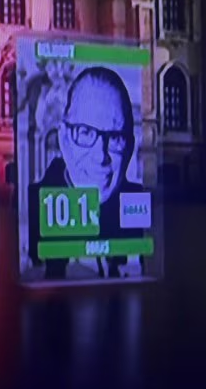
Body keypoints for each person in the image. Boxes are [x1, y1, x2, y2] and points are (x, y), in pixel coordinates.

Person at [28, 66, 144, 280]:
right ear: (64, 139)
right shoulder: (36, 203)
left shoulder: (138, 207)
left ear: (130, 147)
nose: (101, 156)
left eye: (115, 137)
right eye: (86, 132)